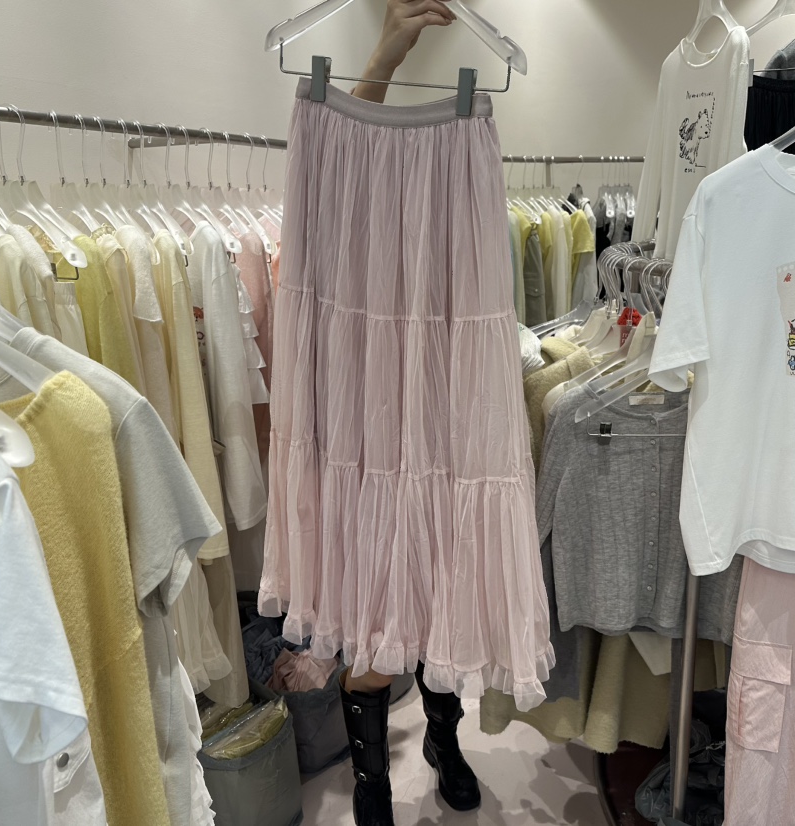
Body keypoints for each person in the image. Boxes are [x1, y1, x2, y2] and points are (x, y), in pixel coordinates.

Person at [339, 3, 481, 825]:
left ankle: (442, 740)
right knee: (371, 605)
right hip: (364, 417)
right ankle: (371, 780)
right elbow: (343, 144)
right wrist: (386, 56)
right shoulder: (346, 216)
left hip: (444, 412)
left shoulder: (462, 175)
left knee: (439, 597)